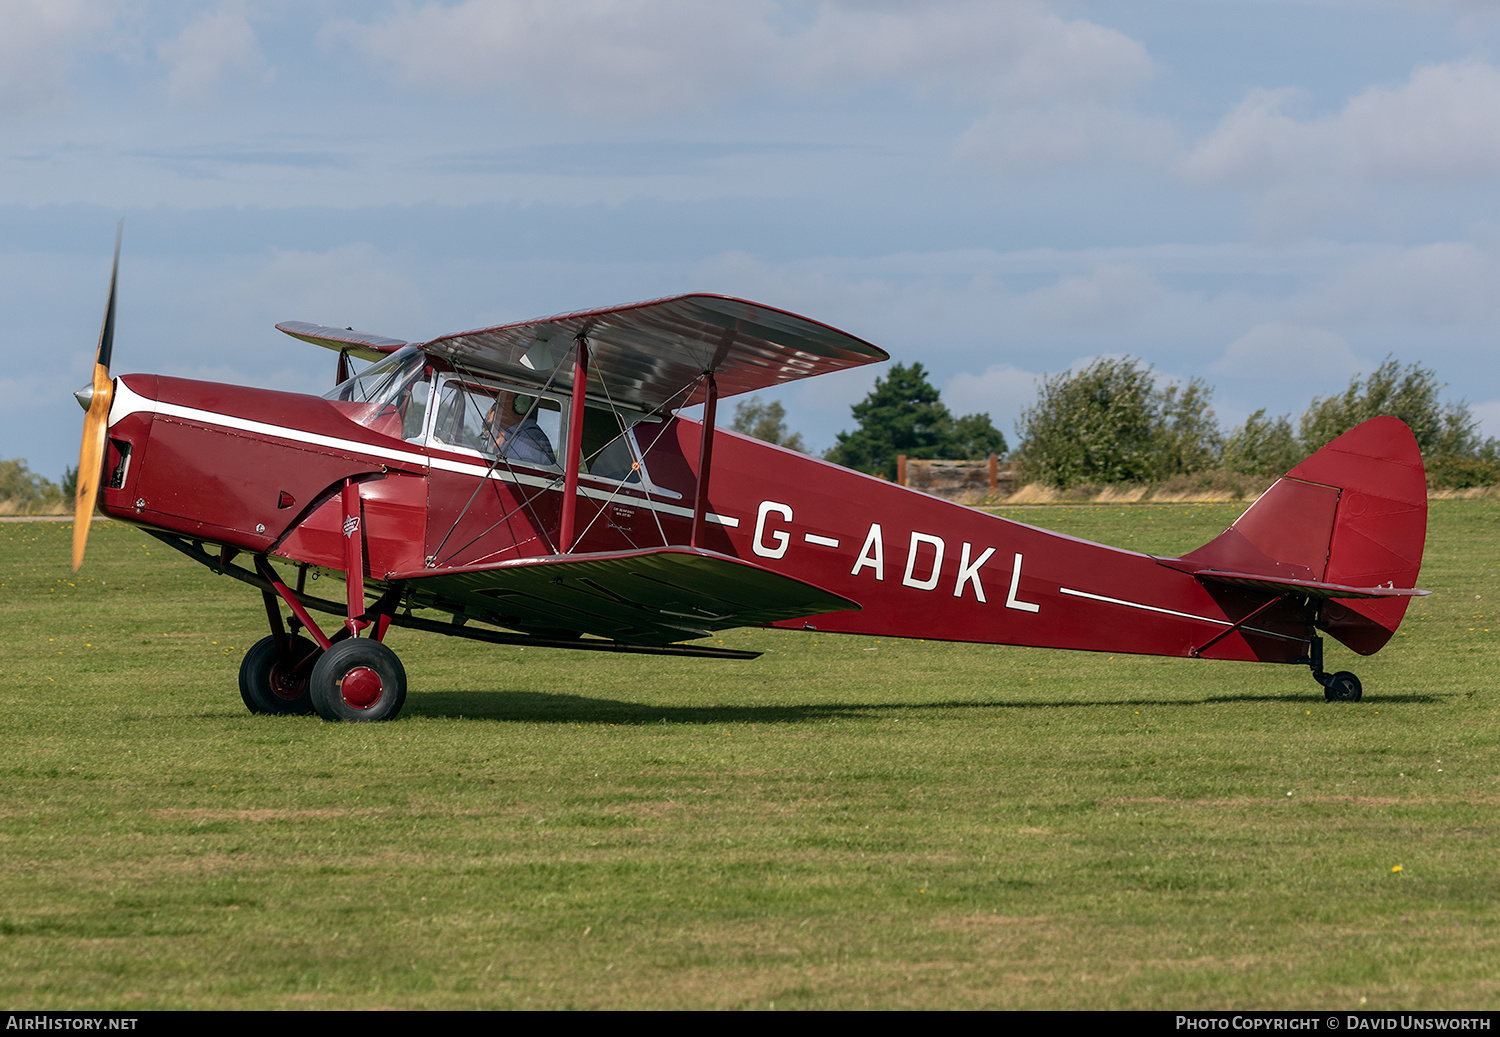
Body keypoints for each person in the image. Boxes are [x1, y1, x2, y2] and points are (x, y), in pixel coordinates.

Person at [486, 390, 557, 467]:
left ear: (521, 407)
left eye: (500, 404)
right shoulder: (517, 437)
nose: (494, 409)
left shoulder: (527, 439)